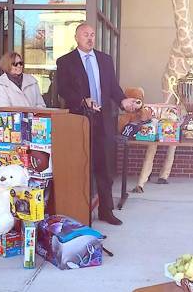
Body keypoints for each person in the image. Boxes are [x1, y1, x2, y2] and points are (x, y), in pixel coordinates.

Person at [56, 23, 139, 225]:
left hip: (103, 121)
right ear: (76, 37)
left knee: (105, 167)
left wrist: (123, 101)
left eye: (92, 34)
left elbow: (112, 88)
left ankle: (106, 210)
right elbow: (63, 90)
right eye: (85, 34)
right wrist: (83, 100)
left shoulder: (105, 59)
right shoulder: (65, 62)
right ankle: (79, 210)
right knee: (80, 166)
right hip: (79, 121)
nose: (90, 38)